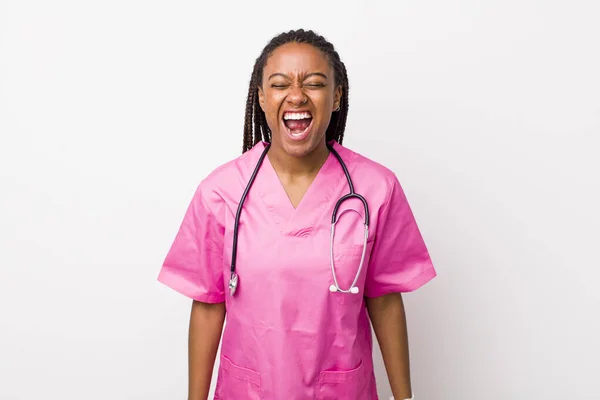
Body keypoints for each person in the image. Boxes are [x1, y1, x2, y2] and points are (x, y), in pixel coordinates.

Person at [158, 29, 436, 400]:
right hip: (249, 390)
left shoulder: (375, 189)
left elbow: (384, 299)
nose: (296, 95)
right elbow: (209, 306)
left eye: (315, 83)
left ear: (336, 96)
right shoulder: (221, 192)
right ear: (260, 96)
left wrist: (405, 398)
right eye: (279, 83)